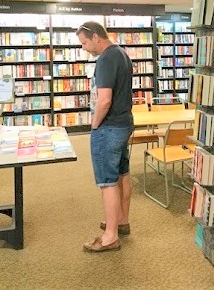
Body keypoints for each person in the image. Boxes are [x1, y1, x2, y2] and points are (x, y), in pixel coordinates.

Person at [76, 21, 133, 253]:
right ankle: (121, 220)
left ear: (95, 37)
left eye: (84, 43)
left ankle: (110, 236)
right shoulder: (122, 54)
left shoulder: (106, 59)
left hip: (109, 127)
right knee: (122, 174)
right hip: (124, 123)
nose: (84, 48)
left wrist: (95, 124)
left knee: (107, 181)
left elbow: (105, 99)